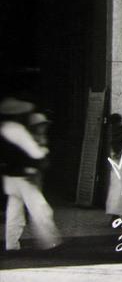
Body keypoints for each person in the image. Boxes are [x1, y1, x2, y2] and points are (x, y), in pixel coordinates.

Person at [0, 97, 61, 251]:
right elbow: (34, 153)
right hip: (23, 176)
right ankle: (50, 242)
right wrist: (42, 158)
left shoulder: (4, 128)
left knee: (14, 212)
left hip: (10, 177)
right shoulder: (17, 130)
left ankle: (11, 244)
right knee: (40, 208)